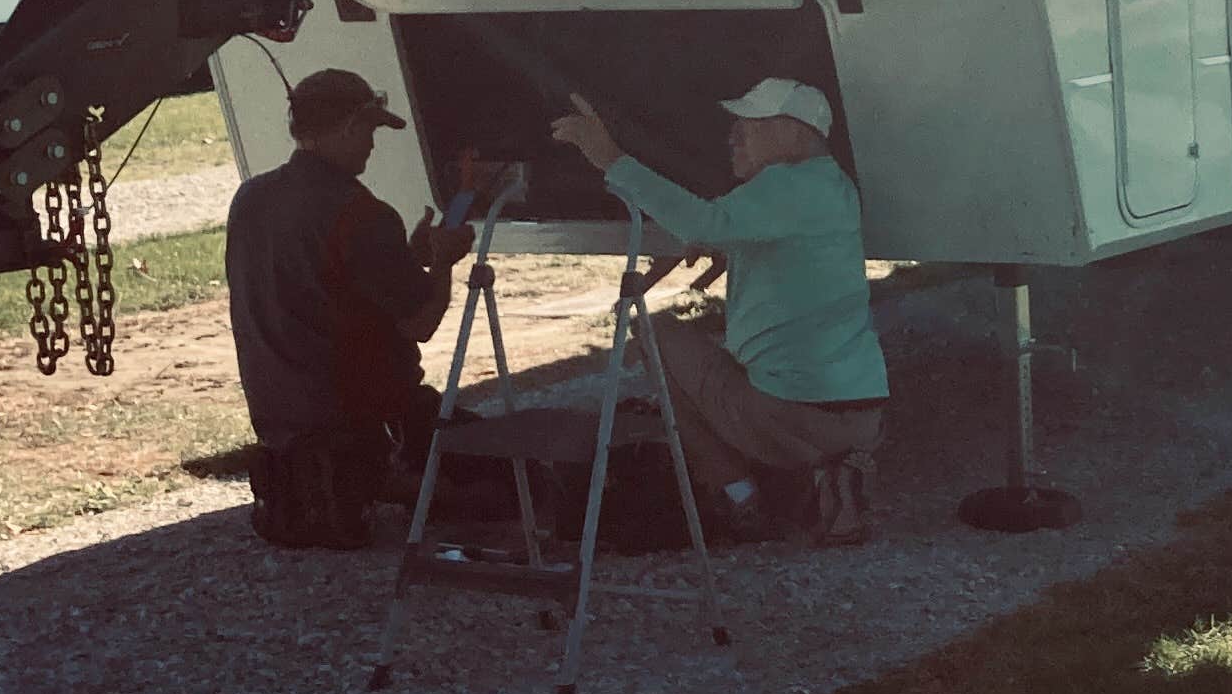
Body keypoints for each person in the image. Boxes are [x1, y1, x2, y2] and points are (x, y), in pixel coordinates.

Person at [548, 75, 887, 543]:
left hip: (792, 412)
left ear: (793, 131)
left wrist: (610, 158)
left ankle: (740, 496)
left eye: (748, 124)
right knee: (728, 361)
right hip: (861, 413)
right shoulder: (833, 188)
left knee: (657, 335)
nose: (733, 135)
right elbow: (738, 232)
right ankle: (822, 479)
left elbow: (702, 219)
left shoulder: (784, 185)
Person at [223, 68, 468, 546]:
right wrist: (442, 264)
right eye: (369, 131)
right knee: (507, 479)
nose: (372, 146)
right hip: (357, 414)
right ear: (347, 126)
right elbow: (421, 323)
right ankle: (396, 473)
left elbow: (319, 281)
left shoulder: (251, 198)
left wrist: (407, 258)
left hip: (280, 414)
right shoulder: (362, 213)